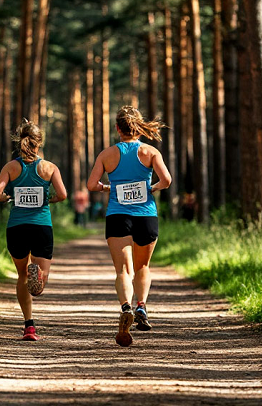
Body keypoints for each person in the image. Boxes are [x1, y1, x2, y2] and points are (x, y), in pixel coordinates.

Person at [87, 106, 172, 347]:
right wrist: (151, 188)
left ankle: (126, 307)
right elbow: (166, 180)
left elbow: (92, 184)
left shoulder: (107, 154)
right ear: (139, 127)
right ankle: (141, 307)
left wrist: (108, 188)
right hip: (146, 214)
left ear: (117, 128)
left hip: (117, 215)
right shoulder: (149, 151)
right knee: (143, 265)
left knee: (123, 270)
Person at [0, 120, 67, 341]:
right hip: (42, 225)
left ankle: (29, 326)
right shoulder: (49, 167)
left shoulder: (11, 167)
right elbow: (62, 195)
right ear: (39, 142)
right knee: (39, 280)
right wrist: (48, 199)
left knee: (22, 274)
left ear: (19, 141)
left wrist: (8, 197)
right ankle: (39, 281)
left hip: (17, 227)